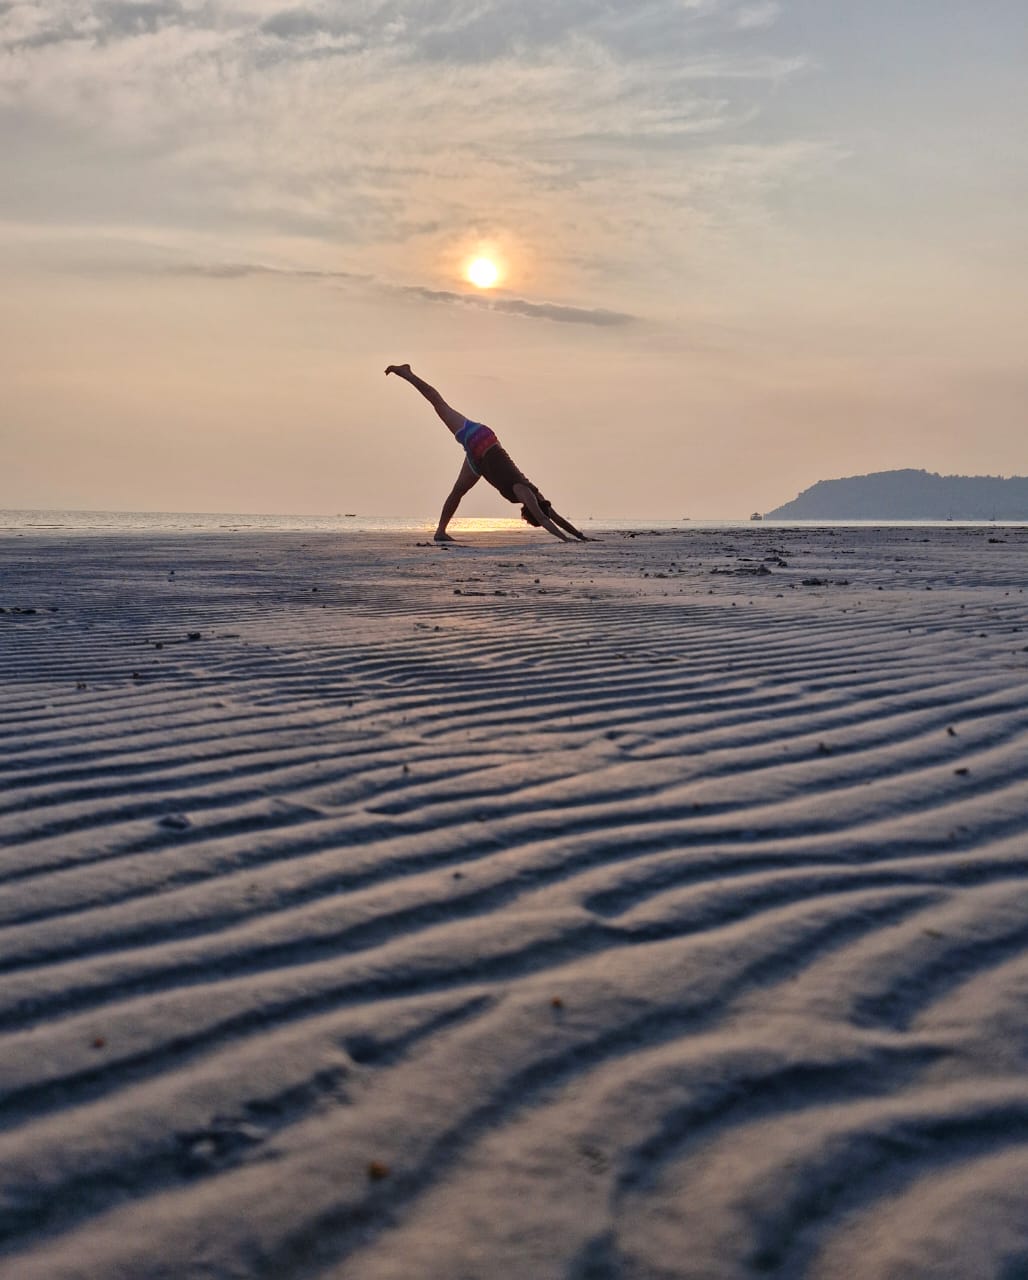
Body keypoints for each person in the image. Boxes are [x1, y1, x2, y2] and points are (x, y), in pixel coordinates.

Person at [385, 363, 590, 543]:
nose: (527, 517)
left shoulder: (538, 499)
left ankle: (440, 532)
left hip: (478, 461)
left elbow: (555, 517)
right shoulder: (525, 493)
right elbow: (546, 519)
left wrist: (579, 536)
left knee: (458, 491)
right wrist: (565, 540)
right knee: (440, 405)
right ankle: (406, 373)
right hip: (481, 440)